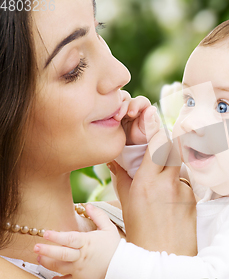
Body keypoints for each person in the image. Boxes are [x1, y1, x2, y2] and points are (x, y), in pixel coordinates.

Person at [34, 10, 229, 279]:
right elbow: (173, 190)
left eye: (223, 107)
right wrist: (140, 151)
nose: (189, 123)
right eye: (189, 99)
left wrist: (115, 262)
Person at [0, 1, 197, 278]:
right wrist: (158, 261)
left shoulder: (151, 213)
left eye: (98, 32)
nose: (120, 73)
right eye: (74, 67)